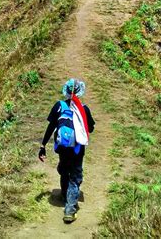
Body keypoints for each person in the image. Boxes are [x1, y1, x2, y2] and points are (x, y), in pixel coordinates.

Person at [38, 79, 95, 223]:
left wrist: (43, 145)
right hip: (77, 149)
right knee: (75, 177)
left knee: (64, 169)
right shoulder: (84, 109)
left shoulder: (59, 106)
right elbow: (91, 128)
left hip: (62, 147)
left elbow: (51, 127)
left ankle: (64, 194)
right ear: (80, 92)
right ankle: (69, 210)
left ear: (66, 91)